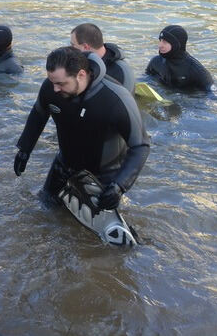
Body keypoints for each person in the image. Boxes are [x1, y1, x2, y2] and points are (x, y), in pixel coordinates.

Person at [13, 47, 149, 212]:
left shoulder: (116, 98)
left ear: (81, 75)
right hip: (63, 165)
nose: (55, 89)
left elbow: (140, 146)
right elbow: (39, 114)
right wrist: (24, 149)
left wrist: (119, 186)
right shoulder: (51, 87)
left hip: (104, 177)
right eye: (52, 81)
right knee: (45, 211)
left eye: (61, 83)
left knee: (94, 233)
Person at [145, 25, 214, 91]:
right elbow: (146, 79)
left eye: (165, 42)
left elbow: (210, 96)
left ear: (176, 45)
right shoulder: (155, 62)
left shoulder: (196, 71)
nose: (160, 45)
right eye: (160, 41)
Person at [70, 23, 134, 93]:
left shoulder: (120, 72)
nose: (70, 49)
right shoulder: (87, 62)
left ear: (86, 47)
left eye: (73, 45)